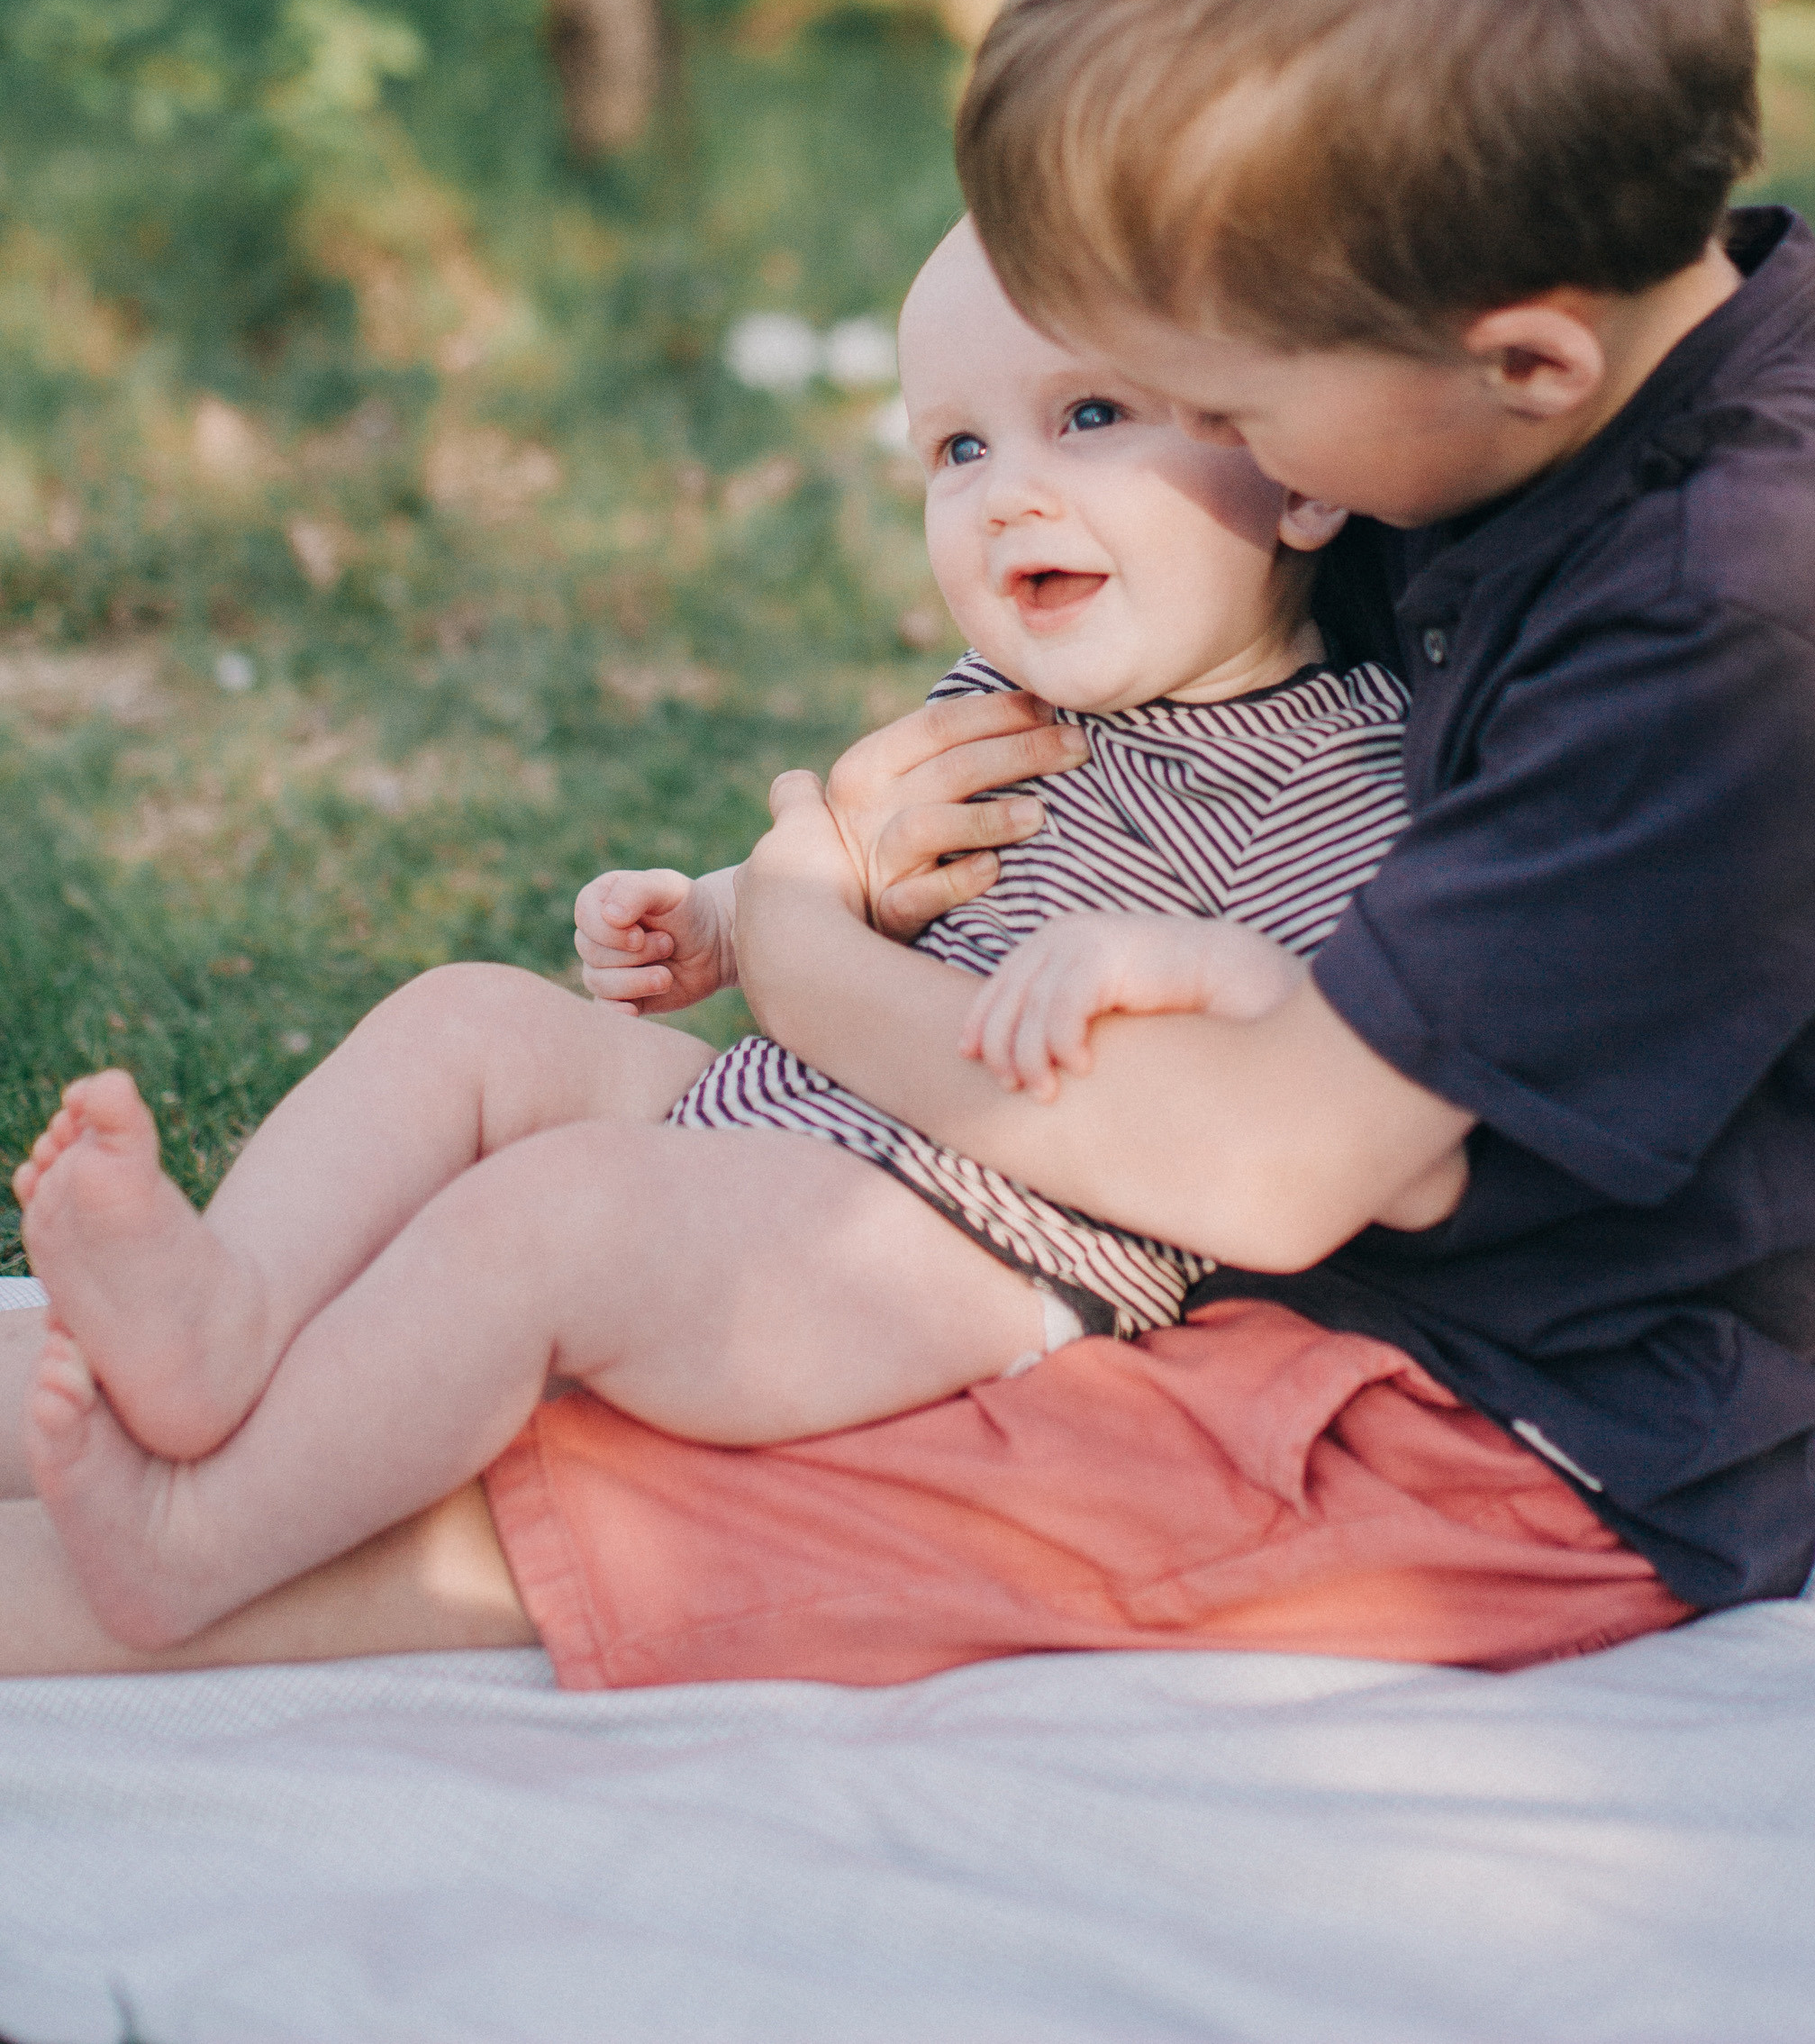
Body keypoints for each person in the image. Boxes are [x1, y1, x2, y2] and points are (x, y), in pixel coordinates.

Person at [0, 0, 1815, 1689]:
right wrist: (866, 842)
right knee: (502, 1156)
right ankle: (224, 1364)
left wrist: (799, 950)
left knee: (669, 1460)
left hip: (1482, 1407)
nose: (1226, 447)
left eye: (1220, 395)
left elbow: (1279, 1167)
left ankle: (167, 1562)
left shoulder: (1738, 631)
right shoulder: (1465, 400)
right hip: (1167, 1205)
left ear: (1521, 361)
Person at [9, 223, 1435, 1654]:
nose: (1007, 498)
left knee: (551, 1216)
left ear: (1296, 474)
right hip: (791, 1125)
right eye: (956, 450)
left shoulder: (1343, 778)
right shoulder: (1007, 705)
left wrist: (1194, 969)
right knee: (472, 1019)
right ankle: (224, 1324)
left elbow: (1345, 1084)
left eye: (1087, 417)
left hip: (970, 1261)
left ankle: (197, 1542)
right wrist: (717, 912)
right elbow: (890, 892)